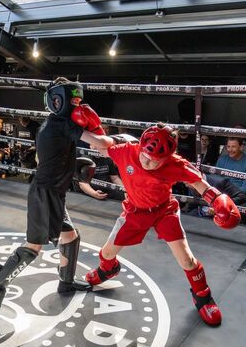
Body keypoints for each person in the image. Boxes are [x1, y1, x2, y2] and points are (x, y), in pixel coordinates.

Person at [83, 123, 240, 326]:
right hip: (135, 212)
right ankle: (108, 269)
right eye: (145, 157)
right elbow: (98, 142)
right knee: (106, 254)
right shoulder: (125, 151)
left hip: (164, 211)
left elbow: (200, 184)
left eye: (155, 161)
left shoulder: (175, 164)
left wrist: (218, 200)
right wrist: (73, 126)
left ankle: (203, 297)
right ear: (140, 147)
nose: (148, 163)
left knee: (187, 260)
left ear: (166, 158)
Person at [0, 77, 111, 315]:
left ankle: (66, 282)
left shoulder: (56, 123)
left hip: (53, 191)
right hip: (45, 193)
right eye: (73, 101)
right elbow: (101, 144)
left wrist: (74, 165)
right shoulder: (62, 125)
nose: (77, 106)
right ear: (58, 101)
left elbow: (53, 159)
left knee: (70, 237)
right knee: (33, 247)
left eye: (79, 101)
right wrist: (121, 140)